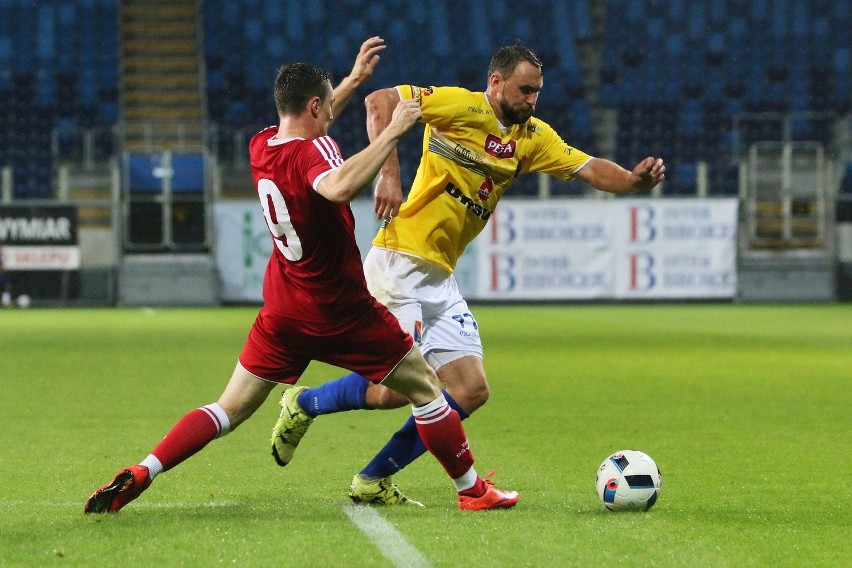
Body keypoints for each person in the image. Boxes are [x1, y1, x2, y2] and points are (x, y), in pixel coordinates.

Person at [85, 37, 518, 514]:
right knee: (428, 390)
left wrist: (351, 82)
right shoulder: (318, 153)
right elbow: (336, 184)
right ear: (315, 105)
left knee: (228, 409)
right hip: (341, 309)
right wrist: (392, 132)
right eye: (329, 104)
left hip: (284, 310)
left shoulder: (261, 145)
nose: (333, 112)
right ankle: (473, 491)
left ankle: (146, 468)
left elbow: (314, 136)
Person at [270, 42, 666, 506]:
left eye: (537, 92)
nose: (532, 100)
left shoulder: (533, 137)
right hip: (399, 261)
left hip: (439, 276)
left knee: (470, 389)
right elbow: (381, 102)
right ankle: (305, 403)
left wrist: (635, 181)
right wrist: (389, 175)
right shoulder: (461, 105)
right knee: (392, 391)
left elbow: (588, 167)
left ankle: (372, 479)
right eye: (525, 90)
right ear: (496, 82)